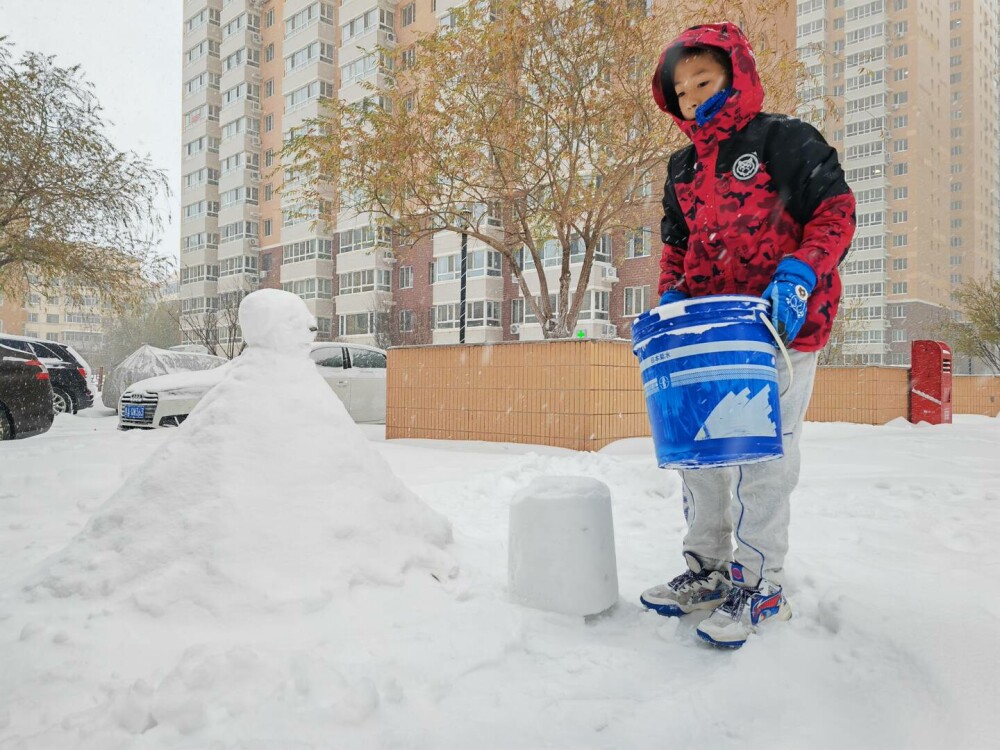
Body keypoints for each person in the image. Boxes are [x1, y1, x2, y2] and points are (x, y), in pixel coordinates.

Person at [640, 22, 856, 648]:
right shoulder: (681, 168)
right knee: (700, 456)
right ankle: (706, 568)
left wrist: (798, 274)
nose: (692, 99)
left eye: (703, 81)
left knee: (764, 458)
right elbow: (674, 247)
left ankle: (762, 584)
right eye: (680, 92)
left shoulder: (782, 140)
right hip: (709, 335)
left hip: (781, 330)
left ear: (737, 75)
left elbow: (835, 213)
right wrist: (674, 295)